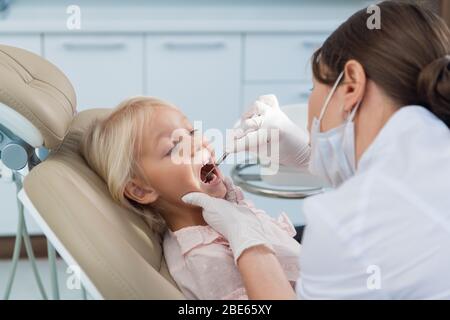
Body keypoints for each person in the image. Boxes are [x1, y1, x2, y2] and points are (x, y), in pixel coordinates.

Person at [182, 1, 450, 299]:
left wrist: (247, 239)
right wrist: (309, 157)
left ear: (351, 86)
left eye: (313, 89)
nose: (199, 145)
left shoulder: (349, 225)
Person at [80, 96, 301, 299]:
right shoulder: (204, 262)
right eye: (174, 147)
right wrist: (248, 241)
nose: (197, 143)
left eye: (192, 132)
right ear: (141, 190)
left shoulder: (229, 210)